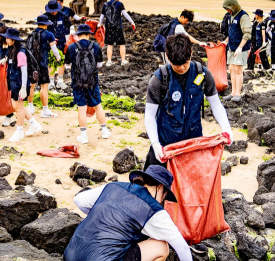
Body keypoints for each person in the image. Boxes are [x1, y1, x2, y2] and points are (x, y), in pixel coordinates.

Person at [64, 165, 192, 261]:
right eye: (164, 197)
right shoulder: (153, 210)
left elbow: (79, 200)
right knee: (162, 246)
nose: (162, 201)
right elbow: (183, 248)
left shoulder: (114, 187)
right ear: (160, 188)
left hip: (70, 256)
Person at [144, 34, 233, 171]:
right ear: (167, 57)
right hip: (166, 145)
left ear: (191, 53)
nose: (180, 68)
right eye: (176, 64)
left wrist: (226, 128)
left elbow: (216, 104)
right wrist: (155, 143)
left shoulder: (202, 74)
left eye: (184, 63)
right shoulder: (159, 79)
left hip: (193, 143)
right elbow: (149, 115)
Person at [65, 24, 110, 142]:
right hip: (92, 81)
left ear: (78, 35)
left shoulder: (71, 47)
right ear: (89, 34)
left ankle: (84, 136)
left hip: (77, 82)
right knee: (97, 106)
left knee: (82, 108)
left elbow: (68, 66)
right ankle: (105, 131)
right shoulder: (95, 47)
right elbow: (99, 65)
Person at [2, 28, 42, 143]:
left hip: (20, 84)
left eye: (8, 38)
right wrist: (5, 59)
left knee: (17, 107)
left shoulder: (21, 52)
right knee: (19, 106)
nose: (7, 39)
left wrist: (24, 87)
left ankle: (19, 131)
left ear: (14, 40)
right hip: (15, 82)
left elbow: (24, 71)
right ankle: (34, 124)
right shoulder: (12, 50)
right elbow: (13, 62)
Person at [26, 15, 62, 119]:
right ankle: (45, 110)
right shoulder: (49, 34)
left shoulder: (31, 34)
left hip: (32, 64)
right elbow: (54, 49)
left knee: (31, 85)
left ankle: (30, 107)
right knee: (44, 86)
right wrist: (58, 57)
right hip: (42, 64)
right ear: (46, 24)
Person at [221, 0, 252, 102]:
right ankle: (233, 92)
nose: (227, 11)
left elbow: (247, 34)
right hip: (231, 47)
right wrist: (225, 41)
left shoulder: (243, 16)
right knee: (231, 69)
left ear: (233, 6)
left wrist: (240, 47)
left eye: (228, 8)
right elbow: (231, 32)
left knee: (238, 70)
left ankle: (238, 93)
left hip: (241, 48)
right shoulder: (230, 16)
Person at [100, 0, 135, 67]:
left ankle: (109, 61)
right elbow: (125, 14)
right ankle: (123, 60)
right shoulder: (119, 4)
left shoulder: (105, 4)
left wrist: (100, 24)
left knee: (110, 45)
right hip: (118, 26)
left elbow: (102, 16)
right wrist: (132, 22)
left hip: (109, 27)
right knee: (121, 44)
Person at [44, 0, 70, 89]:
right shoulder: (45, 17)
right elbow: (42, 31)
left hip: (61, 42)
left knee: (61, 61)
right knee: (50, 61)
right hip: (48, 43)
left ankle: (60, 81)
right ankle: (51, 82)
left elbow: (68, 29)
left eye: (55, 10)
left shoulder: (63, 16)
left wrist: (67, 42)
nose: (54, 12)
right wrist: (49, 39)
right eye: (52, 10)